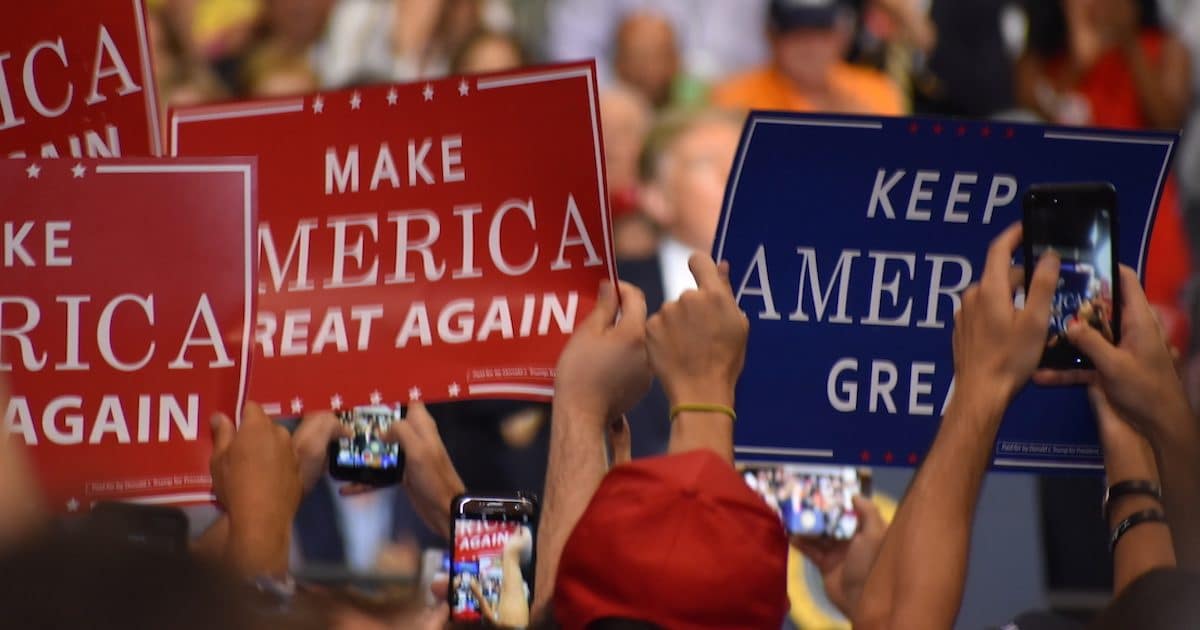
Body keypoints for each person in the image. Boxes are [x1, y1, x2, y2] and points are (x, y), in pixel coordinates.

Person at [712, 0, 905, 115]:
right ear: (771, 36)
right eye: (796, 32)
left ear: (842, 35)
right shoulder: (734, 97)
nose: (810, 46)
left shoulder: (877, 91)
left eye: (821, 31)